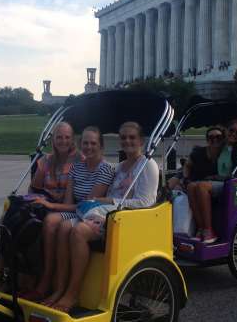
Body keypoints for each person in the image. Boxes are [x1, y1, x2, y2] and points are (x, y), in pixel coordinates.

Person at [42, 121, 159, 312]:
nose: (127, 141)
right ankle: (59, 288)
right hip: (105, 215)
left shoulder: (148, 165)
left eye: (132, 137)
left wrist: (109, 202)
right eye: (123, 138)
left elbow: (145, 202)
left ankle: (72, 294)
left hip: (126, 220)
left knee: (79, 231)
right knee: (63, 227)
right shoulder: (119, 167)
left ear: (142, 141)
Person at [0, 121, 81, 290]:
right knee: (10, 215)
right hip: (44, 201)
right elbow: (34, 188)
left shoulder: (80, 162)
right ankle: (2, 270)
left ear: (72, 140)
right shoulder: (46, 161)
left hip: (64, 207)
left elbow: (77, 194)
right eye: (59, 137)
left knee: (31, 225)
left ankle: (29, 274)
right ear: (54, 140)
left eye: (67, 138)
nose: (63, 141)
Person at [21, 126, 114, 300]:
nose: (89, 147)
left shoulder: (106, 169)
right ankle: (48, 278)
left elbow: (87, 205)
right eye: (85, 143)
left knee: (60, 223)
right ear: (80, 144)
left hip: (90, 214)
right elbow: (69, 202)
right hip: (76, 211)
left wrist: (51, 205)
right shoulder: (76, 168)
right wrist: (51, 204)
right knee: (49, 221)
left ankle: (61, 287)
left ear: (100, 145)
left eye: (93, 143)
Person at [185, 126, 227, 244]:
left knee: (201, 186)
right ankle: (201, 228)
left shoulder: (226, 152)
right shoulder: (199, 152)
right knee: (191, 186)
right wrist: (186, 178)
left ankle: (209, 230)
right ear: (207, 139)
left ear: (222, 138)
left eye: (218, 137)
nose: (214, 140)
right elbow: (187, 165)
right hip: (205, 182)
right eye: (211, 137)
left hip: (222, 183)